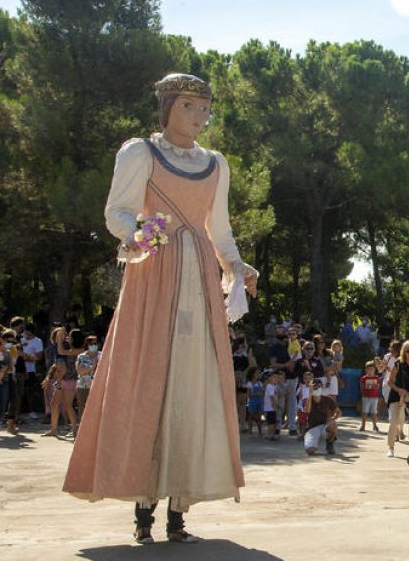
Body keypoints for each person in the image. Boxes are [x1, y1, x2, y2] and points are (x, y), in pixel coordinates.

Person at [62, 73, 259, 544]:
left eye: (204, 108)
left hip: (199, 279)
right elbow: (118, 210)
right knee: (150, 380)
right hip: (156, 272)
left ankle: (178, 514)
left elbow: (219, 229)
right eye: (189, 105)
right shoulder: (141, 153)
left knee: (193, 387)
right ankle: (142, 512)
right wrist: (139, 233)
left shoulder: (215, 164)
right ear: (168, 107)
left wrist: (236, 266)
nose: (199, 116)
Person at [387, 340, 409, 454]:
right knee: (393, 421)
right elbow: (389, 381)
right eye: (408, 351)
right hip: (397, 395)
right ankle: (391, 447)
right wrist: (399, 390)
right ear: (404, 352)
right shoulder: (398, 364)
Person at [303, 381, 339, 456]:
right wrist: (310, 394)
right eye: (314, 387)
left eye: (319, 387)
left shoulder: (328, 399)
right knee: (310, 452)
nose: (317, 389)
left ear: (322, 387)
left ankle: (330, 444)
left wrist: (333, 418)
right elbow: (307, 410)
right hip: (312, 428)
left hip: (324, 426)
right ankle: (313, 445)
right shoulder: (308, 400)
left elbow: (338, 412)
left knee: (333, 425)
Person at [74, 335, 101, 427]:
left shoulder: (102, 356)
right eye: (91, 344)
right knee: (82, 407)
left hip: (97, 385)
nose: (94, 345)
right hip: (82, 385)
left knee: (96, 407)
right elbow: (80, 371)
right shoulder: (81, 356)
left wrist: (87, 369)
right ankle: (81, 428)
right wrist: (93, 367)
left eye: (95, 343)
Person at [359, 362, 381, 432]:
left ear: (374, 369)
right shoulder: (364, 378)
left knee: (374, 412)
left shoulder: (377, 378)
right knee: (364, 412)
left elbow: (378, 387)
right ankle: (363, 425)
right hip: (366, 397)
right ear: (366, 370)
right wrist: (363, 395)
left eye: (372, 369)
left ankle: (374, 425)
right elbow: (361, 387)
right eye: (368, 369)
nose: (370, 370)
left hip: (374, 397)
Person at [244, 367, 264, 436]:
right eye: (257, 373)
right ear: (253, 374)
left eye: (259, 373)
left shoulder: (260, 383)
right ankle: (250, 431)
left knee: (259, 417)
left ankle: (260, 432)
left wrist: (256, 394)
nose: (258, 375)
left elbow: (262, 392)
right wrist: (257, 394)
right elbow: (249, 394)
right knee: (251, 416)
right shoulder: (249, 383)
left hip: (259, 402)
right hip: (252, 402)